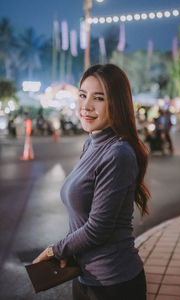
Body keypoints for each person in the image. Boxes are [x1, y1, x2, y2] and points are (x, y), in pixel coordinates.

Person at [33, 64, 150, 300]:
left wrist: (53, 250)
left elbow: (98, 228)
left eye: (99, 98)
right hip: (84, 276)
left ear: (116, 103)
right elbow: (81, 218)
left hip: (114, 283)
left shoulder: (118, 153)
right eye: (82, 95)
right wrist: (69, 253)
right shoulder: (91, 143)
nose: (86, 106)